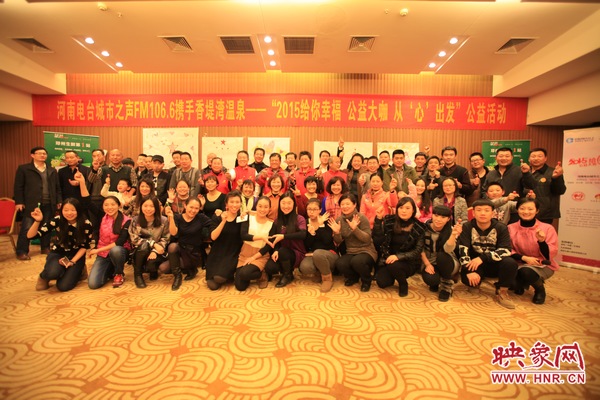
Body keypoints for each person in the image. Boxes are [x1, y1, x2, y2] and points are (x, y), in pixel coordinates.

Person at [29, 171, 92, 292]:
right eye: (66, 210)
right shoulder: (57, 220)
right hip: (58, 253)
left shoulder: (86, 224)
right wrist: (37, 221)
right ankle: (43, 277)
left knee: (64, 286)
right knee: (52, 273)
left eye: (73, 210)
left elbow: (84, 246)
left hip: (76, 255)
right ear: (61, 211)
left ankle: (79, 270)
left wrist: (72, 261)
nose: (69, 213)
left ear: (78, 211)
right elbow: (32, 236)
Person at [458, 199, 518, 309]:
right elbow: (463, 249)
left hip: (494, 263)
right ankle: (477, 280)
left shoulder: (501, 227)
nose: (482, 213)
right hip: (475, 264)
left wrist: (483, 258)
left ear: (493, 213)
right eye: (479, 210)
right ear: (473, 213)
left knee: (510, 263)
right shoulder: (467, 226)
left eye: (486, 210)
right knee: (468, 281)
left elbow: (506, 250)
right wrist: (468, 270)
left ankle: (502, 291)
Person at [14, 146, 62, 260]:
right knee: (27, 227)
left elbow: (57, 188)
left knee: (46, 227)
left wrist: (59, 200)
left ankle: (45, 247)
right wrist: (19, 202)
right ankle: (22, 251)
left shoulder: (52, 170)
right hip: (31, 204)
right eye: (39, 153)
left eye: (44, 153)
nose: (42, 155)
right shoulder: (24, 169)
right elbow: (18, 187)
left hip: (49, 203)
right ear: (32, 155)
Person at [509, 198, 559, 305]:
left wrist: (542, 241)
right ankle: (520, 284)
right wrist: (524, 258)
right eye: (522, 208)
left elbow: (550, 254)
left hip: (541, 264)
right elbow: (507, 249)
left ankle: (539, 289)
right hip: (519, 262)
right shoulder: (510, 228)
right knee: (511, 284)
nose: (526, 212)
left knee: (526, 272)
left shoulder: (547, 228)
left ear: (537, 211)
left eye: (530, 209)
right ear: (517, 210)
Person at [374, 197, 426, 297]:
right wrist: (379, 220)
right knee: (382, 282)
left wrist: (398, 257)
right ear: (397, 209)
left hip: (408, 261)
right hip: (389, 259)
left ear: (413, 210)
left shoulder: (419, 227)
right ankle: (395, 273)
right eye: (401, 207)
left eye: (407, 208)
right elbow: (378, 238)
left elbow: (417, 250)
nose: (404, 211)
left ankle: (403, 284)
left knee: (394, 265)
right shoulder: (390, 221)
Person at [331, 194, 378, 292]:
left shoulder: (361, 217)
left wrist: (355, 229)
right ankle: (354, 277)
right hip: (351, 251)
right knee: (340, 263)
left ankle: (366, 280)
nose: (345, 206)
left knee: (357, 261)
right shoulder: (339, 220)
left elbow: (367, 239)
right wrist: (337, 233)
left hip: (366, 250)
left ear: (354, 204)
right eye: (342, 204)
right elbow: (338, 241)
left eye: (347, 204)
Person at [164, 198, 211, 290]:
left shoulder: (201, 217)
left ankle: (191, 269)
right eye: (191, 207)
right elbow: (173, 233)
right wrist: (171, 217)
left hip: (194, 252)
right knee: (164, 267)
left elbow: (213, 224)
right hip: (181, 249)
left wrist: (220, 216)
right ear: (185, 205)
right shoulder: (178, 217)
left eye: (196, 208)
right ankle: (178, 276)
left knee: (172, 265)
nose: (193, 210)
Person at [481, 147, 535, 222]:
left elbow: (530, 186)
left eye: (507, 156)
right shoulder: (491, 174)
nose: (504, 158)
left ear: (512, 157)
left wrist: (526, 173)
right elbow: (484, 191)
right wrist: (490, 203)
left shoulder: (519, 171)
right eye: (501, 156)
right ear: (496, 158)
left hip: (514, 211)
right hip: (494, 212)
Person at [265, 192, 307, 287]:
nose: (286, 206)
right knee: (270, 267)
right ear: (279, 204)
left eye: (289, 203)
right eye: (283, 203)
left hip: (296, 252)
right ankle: (287, 269)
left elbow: (302, 234)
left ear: (294, 204)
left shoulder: (299, 218)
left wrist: (283, 236)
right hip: (282, 252)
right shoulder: (277, 221)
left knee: (283, 251)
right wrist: (275, 250)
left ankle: (287, 275)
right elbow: (273, 238)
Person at [87, 196, 131, 289]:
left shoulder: (126, 220)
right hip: (103, 253)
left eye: (113, 204)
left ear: (119, 205)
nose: (109, 207)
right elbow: (87, 202)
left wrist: (97, 250)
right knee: (93, 284)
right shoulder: (101, 217)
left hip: (120, 252)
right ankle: (111, 269)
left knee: (116, 250)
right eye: (106, 205)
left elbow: (119, 242)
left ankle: (119, 273)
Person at [205, 191, 244, 290]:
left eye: (237, 202)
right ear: (226, 204)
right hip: (217, 252)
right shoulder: (218, 216)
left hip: (233, 253)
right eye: (231, 202)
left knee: (219, 278)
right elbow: (213, 237)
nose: (234, 205)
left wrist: (247, 212)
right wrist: (223, 221)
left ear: (241, 203)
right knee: (213, 286)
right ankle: (227, 276)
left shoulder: (242, 218)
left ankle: (228, 275)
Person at [420, 205, 461, 301]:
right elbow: (420, 248)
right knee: (431, 280)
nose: (438, 219)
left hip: (447, 261)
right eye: (436, 215)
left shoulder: (451, 230)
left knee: (441, 256)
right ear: (432, 215)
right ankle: (436, 281)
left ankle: (446, 286)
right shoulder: (423, 228)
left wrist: (453, 235)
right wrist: (427, 264)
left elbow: (448, 250)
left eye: (443, 217)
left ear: (448, 219)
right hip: (430, 261)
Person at [129, 197, 170, 288]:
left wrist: (154, 251)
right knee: (144, 246)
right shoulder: (135, 220)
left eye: (152, 206)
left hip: (158, 251)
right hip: (140, 250)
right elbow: (134, 239)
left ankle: (152, 270)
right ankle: (138, 274)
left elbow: (166, 238)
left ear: (156, 208)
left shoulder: (164, 220)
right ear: (141, 207)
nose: (148, 209)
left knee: (151, 265)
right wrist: (153, 244)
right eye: (145, 206)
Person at [235, 196, 274, 291]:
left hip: (260, 255)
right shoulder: (248, 217)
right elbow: (243, 235)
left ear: (269, 209)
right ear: (256, 206)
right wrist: (261, 237)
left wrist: (253, 258)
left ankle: (261, 274)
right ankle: (252, 273)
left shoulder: (272, 224)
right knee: (240, 286)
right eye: (260, 206)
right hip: (245, 253)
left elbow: (268, 246)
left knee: (244, 273)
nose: (262, 209)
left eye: (266, 207)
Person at [299, 198, 338, 292]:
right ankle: (320, 272)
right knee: (305, 267)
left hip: (329, 254)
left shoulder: (326, 221)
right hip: (313, 254)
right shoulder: (305, 222)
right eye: (309, 209)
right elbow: (306, 245)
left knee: (318, 254)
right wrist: (312, 234)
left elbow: (327, 241)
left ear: (320, 210)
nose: (311, 212)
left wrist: (320, 226)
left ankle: (327, 279)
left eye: (315, 209)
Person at [528, 148, 566, 224]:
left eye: (539, 156)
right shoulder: (525, 171)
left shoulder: (553, 172)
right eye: (533, 156)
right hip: (526, 211)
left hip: (545, 214)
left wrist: (556, 178)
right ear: (529, 159)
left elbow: (560, 191)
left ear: (545, 158)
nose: (536, 158)